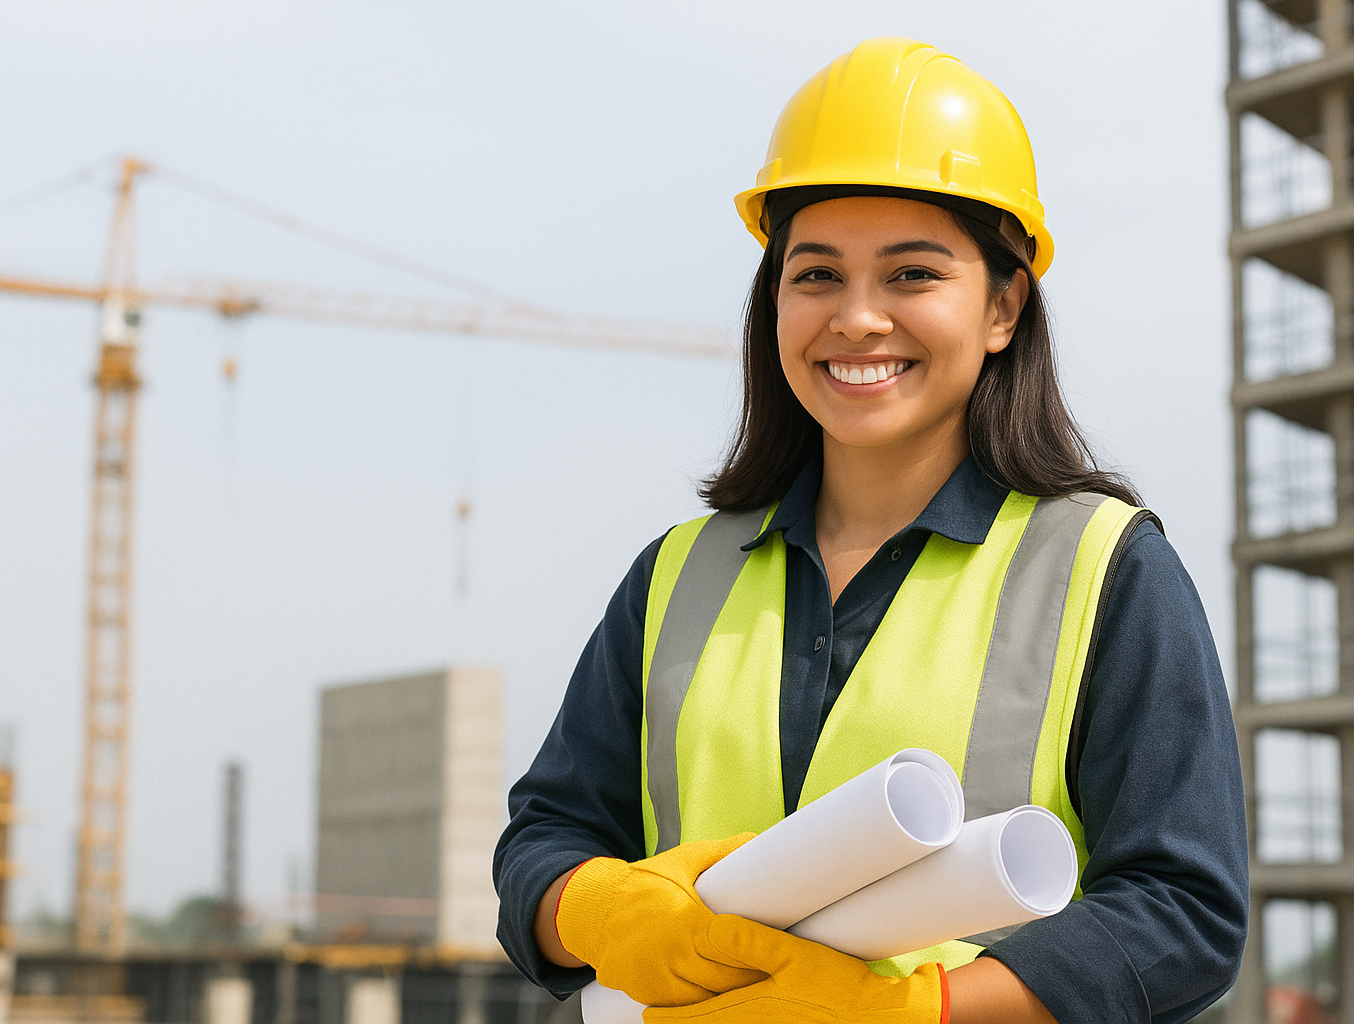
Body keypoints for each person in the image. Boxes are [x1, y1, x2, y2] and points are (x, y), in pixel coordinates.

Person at [493, 37, 1247, 1024]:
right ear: (774, 303)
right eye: (815, 276)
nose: (856, 318)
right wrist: (596, 909)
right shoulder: (677, 576)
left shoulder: (1105, 570)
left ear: (1004, 304)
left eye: (911, 275)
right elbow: (544, 839)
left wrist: (919, 1012)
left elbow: (1182, 911)